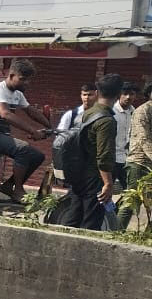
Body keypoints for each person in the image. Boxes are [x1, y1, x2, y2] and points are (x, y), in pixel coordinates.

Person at [0, 58, 50, 203]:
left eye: (29, 80)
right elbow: (5, 114)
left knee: (38, 156)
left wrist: (48, 124)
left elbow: (30, 111)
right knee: (23, 149)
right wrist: (32, 131)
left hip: (2, 136)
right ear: (11, 75)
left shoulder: (17, 94)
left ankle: (8, 185)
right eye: (23, 79)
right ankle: (17, 190)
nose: (26, 83)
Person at [58, 74, 121, 231]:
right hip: (94, 178)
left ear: (98, 92)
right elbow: (104, 155)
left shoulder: (86, 113)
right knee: (90, 223)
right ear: (118, 95)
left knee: (73, 218)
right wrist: (108, 183)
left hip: (79, 173)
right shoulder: (106, 120)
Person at [117, 82, 152, 229]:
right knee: (131, 202)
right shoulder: (143, 111)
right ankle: (115, 233)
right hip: (139, 163)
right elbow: (143, 139)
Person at [114, 83, 138, 188]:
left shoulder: (136, 112)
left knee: (129, 191)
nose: (128, 97)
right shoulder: (111, 112)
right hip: (112, 159)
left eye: (132, 94)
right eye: (125, 94)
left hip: (128, 159)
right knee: (103, 191)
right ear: (119, 94)